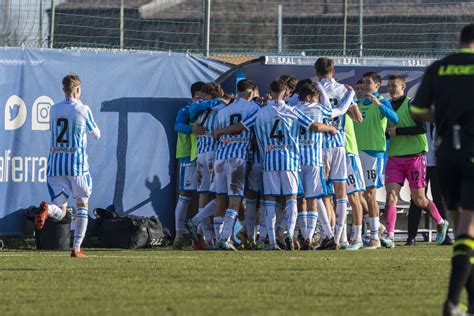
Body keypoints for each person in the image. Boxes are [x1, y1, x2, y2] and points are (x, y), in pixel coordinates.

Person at [410, 23, 474, 316]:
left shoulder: (440, 67)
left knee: (463, 226)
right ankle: (450, 302)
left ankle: (470, 303)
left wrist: (443, 115)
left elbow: (418, 111)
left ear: (459, 41)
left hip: (446, 153)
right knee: (468, 229)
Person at [35, 74, 100, 258]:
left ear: (63, 90)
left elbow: (52, 130)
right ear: (78, 89)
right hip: (77, 166)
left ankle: (47, 208)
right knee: (82, 206)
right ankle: (77, 248)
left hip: (55, 165)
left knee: (61, 211)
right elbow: (97, 133)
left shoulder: (54, 109)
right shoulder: (83, 109)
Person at [383, 74, 448, 249]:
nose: (390, 88)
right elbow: (386, 131)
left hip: (415, 157)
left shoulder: (411, 105)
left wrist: (399, 132)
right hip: (395, 157)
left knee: (419, 199)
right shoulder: (386, 107)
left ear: (403, 87)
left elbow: (421, 128)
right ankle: (389, 235)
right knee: (391, 196)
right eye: (388, 85)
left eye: (394, 85)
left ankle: (441, 223)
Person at [314, 57, 363, 249]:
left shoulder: (315, 89)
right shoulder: (343, 90)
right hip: (339, 146)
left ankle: (328, 234)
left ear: (316, 71)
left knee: (323, 195)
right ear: (332, 70)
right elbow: (358, 118)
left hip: (318, 147)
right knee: (342, 193)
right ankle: (341, 237)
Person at [354, 71, 398, 249]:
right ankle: (377, 226)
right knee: (358, 194)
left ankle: (374, 238)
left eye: (368, 83)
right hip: (357, 152)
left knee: (370, 195)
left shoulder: (381, 102)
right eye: (363, 82)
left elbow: (395, 119)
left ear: (377, 85)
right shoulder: (358, 103)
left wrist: (380, 105)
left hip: (374, 153)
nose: (364, 85)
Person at [405, 123, 452, 246]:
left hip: (438, 165)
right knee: (416, 199)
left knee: (439, 199)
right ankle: (411, 237)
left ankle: (445, 235)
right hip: (420, 162)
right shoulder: (420, 123)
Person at [172, 81, 205, 250]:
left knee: (203, 196)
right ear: (194, 95)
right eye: (199, 94)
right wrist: (191, 130)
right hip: (186, 156)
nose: (201, 97)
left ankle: (199, 237)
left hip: (201, 156)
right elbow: (177, 125)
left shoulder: (206, 110)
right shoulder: (185, 110)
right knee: (185, 195)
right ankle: (178, 235)